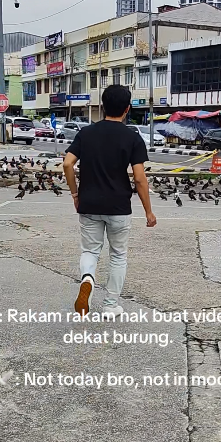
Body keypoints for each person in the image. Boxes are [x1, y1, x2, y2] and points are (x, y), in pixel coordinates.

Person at [63, 84, 157, 319]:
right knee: (117, 255)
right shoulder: (132, 138)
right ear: (127, 109)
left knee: (90, 251)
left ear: (103, 106)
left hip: (89, 204)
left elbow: (67, 164)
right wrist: (148, 212)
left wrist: (75, 194)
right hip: (118, 207)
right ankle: (110, 305)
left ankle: (87, 278)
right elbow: (139, 178)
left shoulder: (86, 133)